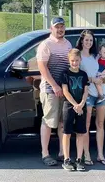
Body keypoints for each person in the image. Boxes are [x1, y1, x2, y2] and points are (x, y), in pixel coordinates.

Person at [37, 17, 72, 166]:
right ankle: (45, 153)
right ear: (52, 28)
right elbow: (42, 68)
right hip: (50, 89)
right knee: (49, 121)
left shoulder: (68, 44)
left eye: (62, 26)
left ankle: (61, 152)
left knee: (63, 122)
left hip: (65, 89)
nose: (60, 29)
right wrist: (55, 86)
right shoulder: (46, 45)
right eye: (57, 27)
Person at [76, 30, 105, 166]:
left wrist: (104, 79)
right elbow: (77, 75)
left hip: (102, 94)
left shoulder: (97, 56)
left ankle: (100, 155)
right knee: (86, 125)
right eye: (86, 40)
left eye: (91, 40)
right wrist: (92, 79)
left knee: (100, 124)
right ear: (82, 40)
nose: (89, 42)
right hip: (88, 94)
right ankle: (87, 154)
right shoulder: (78, 56)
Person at [61, 48, 89, 171]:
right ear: (69, 60)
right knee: (67, 132)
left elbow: (86, 91)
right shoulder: (65, 74)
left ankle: (78, 159)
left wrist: (81, 104)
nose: (74, 63)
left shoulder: (83, 74)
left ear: (80, 60)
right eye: (72, 61)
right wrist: (75, 105)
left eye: (77, 60)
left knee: (81, 132)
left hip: (81, 106)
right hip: (69, 105)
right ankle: (66, 159)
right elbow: (65, 91)